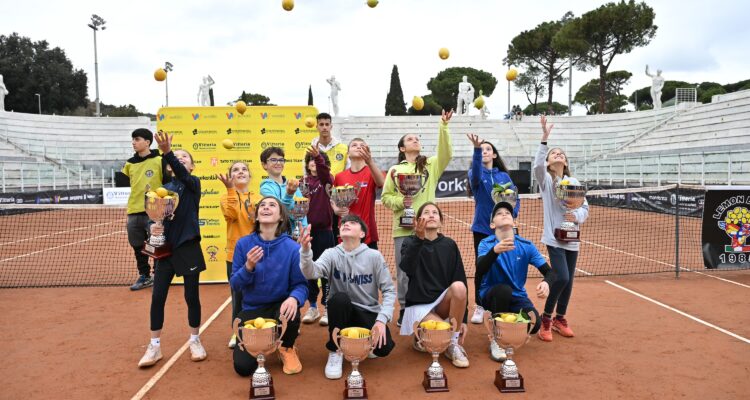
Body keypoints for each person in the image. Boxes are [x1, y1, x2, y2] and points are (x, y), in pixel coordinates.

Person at [138, 131, 207, 368]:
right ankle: (154, 346)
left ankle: (195, 340)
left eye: (184, 157)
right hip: (164, 251)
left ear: (192, 165)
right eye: (177, 157)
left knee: (191, 297)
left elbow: (181, 172)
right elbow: (151, 217)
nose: (180, 159)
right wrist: (153, 227)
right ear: (167, 168)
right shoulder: (162, 190)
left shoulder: (193, 184)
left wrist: (168, 152)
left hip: (187, 247)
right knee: (157, 297)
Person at [298, 215, 396, 380]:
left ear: (363, 234)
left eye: (352, 223)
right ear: (339, 232)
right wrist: (306, 251)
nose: (346, 224)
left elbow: (389, 291)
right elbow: (311, 272)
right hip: (341, 313)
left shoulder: (374, 256)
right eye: (343, 223)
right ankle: (336, 350)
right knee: (338, 299)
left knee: (383, 349)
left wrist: (381, 320)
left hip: (367, 311)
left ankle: (364, 343)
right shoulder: (331, 254)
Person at [382, 109, 454, 327]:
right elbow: (386, 197)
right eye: (410, 139)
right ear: (402, 148)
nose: (415, 140)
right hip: (404, 228)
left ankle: (429, 306)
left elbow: (446, 153)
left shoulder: (430, 165)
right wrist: (400, 202)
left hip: (429, 227)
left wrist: (443, 126)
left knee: (429, 269)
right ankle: (404, 309)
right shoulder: (395, 170)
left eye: (417, 138)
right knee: (404, 272)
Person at [231, 196, 308, 376]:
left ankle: (287, 347)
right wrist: (248, 266)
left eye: (272, 205)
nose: (266, 208)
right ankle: (266, 342)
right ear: (257, 216)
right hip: (252, 309)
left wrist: (293, 298)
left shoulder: (291, 247)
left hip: (279, 309)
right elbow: (235, 284)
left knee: (290, 308)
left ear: (281, 217)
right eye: (262, 206)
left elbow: (301, 285)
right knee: (243, 368)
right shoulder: (243, 244)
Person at [533, 116, 589, 342]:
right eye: (553, 154)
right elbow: (537, 165)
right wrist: (544, 140)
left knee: (569, 281)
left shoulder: (574, 182)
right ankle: (546, 319)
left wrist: (574, 215)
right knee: (562, 277)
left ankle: (560, 318)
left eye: (561, 154)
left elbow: (585, 209)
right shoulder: (546, 181)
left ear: (566, 162)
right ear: (548, 162)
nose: (558, 155)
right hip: (554, 238)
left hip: (572, 238)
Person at [476, 201, 554, 361]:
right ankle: (496, 339)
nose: (504, 214)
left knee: (535, 324)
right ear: (492, 224)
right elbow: (480, 269)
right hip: (492, 296)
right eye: (498, 213)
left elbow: (550, 272)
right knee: (503, 290)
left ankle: (509, 322)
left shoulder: (526, 246)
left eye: (508, 213)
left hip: (517, 296)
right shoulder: (486, 244)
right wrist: (494, 251)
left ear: (514, 222)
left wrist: (547, 282)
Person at [399, 202, 470, 368]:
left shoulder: (449, 245)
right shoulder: (410, 242)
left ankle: (453, 343)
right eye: (426, 212)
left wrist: (463, 319)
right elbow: (407, 268)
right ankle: (420, 335)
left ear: (441, 222)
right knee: (438, 335)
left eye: (435, 213)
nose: (431, 215)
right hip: (418, 305)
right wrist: (419, 239)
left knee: (459, 287)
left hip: (441, 304)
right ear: (417, 221)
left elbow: (460, 278)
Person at [466, 134, 520, 324]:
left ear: (495, 155)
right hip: (482, 229)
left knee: (508, 266)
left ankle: (510, 301)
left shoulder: (503, 176)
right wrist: (476, 150)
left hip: (505, 229)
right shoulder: (475, 173)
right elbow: (476, 176)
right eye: (483, 150)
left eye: (488, 149)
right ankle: (480, 306)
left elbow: (514, 199)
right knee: (482, 269)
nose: (485, 151)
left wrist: (512, 217)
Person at [218, 162, 261, 349]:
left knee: (260, 292)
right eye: (235, 170)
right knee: (238, 296)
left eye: (244, 169)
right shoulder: (226, 197)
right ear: (231, 177)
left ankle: (260, 329)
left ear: (250, 176)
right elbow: (232, 214)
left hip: (259, 253)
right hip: (235, 255)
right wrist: (230, 190)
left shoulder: (259, 198)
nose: (240, 172)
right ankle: (238, 332)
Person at [123, 128, 166, 291]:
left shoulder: (160, 160)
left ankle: (158, 274)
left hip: (155, 211)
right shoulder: (129, 164)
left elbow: (167, 183)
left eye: (137, 139)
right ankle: (145, 275)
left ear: (147, 142)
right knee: (137, 245)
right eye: (133, 139)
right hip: (134, 210)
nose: (133, 142)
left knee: (156, 244)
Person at [300, 147, 336, 326]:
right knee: (309, 271)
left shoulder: (327, 180)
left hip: (326, 232)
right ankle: (313, 307)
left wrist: (318, 156)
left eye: (318, 159)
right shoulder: (302, 182)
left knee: (326, 271)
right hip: (307, 233)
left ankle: (328, 308)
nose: (314, 162)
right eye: (311, 159)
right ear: (307, 164)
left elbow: (324, 173)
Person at [331, 138, 385, 249]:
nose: (358, 147)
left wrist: (369, 161)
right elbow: (332, 197)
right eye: (354, 145)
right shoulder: (340, 176)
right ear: (348, 153)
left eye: (362, 145)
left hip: (366, 234)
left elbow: (382, 183)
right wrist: (336, 209)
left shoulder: (372, 172)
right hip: (345, 233)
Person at [258, 146, 306, 229]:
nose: (278, 163)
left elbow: (301, 214)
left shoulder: (292, 185)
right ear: (264, 165)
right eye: (273, 160)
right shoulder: (265, 188)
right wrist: (289, 195)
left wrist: (304, 231)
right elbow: (280, 213)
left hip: (299, 236)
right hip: (278, 237)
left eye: (281, 160)